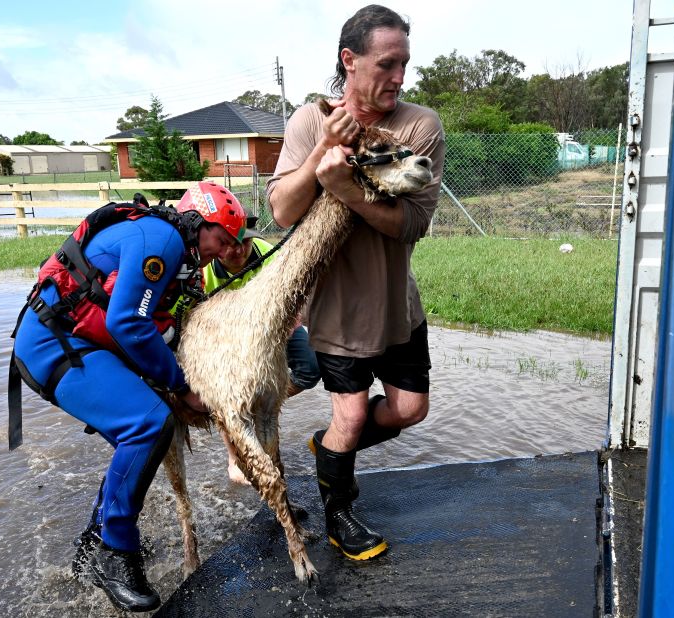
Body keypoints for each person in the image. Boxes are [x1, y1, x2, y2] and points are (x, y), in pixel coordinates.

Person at [9, 181, 246, 612]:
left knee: (138, 436)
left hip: (74, 342)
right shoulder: (162, 239)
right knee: (149, 424)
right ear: (199, 222)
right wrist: (179, 385)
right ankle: (114, 553)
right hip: (53, 347)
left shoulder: (170, 247)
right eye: (222, 238)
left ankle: (94, 542)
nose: (224, 250)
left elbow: (145, 323)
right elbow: (127, 324)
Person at [266, 4, 445, 561]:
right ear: (350, 60)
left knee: (410, 409)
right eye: (387, 64)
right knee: (351, 412)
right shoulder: (306, 122)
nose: (399, 77)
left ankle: (326, 454)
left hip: (396, 307)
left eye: (404, 64)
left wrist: (344, 186)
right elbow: (281, 211)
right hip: (336, 312)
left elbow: (411, 223)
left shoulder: (419, 126)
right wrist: (323, 150)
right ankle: (341, 515)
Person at [199, 212, 321, 484]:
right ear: (218, 246)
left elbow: (293, 302)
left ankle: (262, 405)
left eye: (246, 242)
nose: (240, 250)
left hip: (274, 330)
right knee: (227, 398)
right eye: (232, 243)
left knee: (311, 368)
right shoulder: (203, 270)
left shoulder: (268, 253)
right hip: (227, 338)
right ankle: (234, 457)